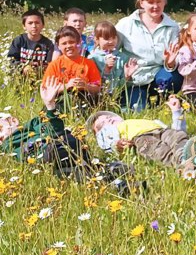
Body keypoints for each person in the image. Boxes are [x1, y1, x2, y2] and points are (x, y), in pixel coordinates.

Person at [0, 77, 133, 193]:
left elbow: (55, 130)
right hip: (48, 159)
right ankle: (118, 183)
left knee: (68, 143)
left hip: (58, 146)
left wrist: (50, 105)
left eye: (0, 128)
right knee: (74, 173)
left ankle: (112, 170)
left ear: (13, 121)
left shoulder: (34, 123)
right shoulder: (6, 147)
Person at [88, 95, 196, 174]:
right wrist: (117, 145)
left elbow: (178, 130)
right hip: (140, 139)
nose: (108, 120)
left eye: (109, 117)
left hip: (162, 130)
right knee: (160, 151)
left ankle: (185, 157)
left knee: (178, 137)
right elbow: (107, 144)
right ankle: (183, 167)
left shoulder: (138, 121)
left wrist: (176, 112)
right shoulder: (110, 132)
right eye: (101, 124)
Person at [115, 0, 181, 110]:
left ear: (164, 2)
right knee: (136, 109)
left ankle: (161, 102)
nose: (155, 6)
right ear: (142, 3)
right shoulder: (126, 24)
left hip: (160, 74)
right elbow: (112, 49)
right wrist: (121, 73)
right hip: (135, 77)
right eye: (151, 2)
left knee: (173, 77)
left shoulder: (173, 27)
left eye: (159, 2)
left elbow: (174, 58)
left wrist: (171, 63)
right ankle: (140, 101)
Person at [42, 26, 102, 103]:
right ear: (58, 46)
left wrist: (86, 86)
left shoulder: (88, 63)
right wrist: (67, 86)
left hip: (84, 100)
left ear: (79, 42)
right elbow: (45, 89)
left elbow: (97, 88)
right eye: (64, 43)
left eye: (71, 42)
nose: (68, 46)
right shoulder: (54, 65)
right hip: (60, 101)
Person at [88, 21, 139, 97]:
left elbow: (123, 86)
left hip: (119, 96)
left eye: (114, 37)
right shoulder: (93, 58)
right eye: (106, 38)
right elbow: (94, 83)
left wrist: (127, 77)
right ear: (97, 39)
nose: (111, 41)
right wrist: (106, 70)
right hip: (98, 97)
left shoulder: (122, 57)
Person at [8, 9, 54, 75]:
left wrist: (38, 68)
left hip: (40, 77)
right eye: (30, 23)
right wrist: (24, 67)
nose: (34, 26)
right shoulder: (19, 41)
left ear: (43, 25)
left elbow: (50, 64)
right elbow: (11, 60)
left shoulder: (48, 44)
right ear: (24, 26)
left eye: (37, 23)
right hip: (21, 77)